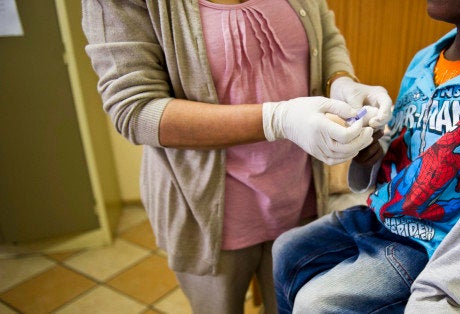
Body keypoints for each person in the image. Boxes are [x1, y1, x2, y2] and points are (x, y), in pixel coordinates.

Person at [81, 0, 392, 313]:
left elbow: (325, 34)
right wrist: (276, 120)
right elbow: (135, 110)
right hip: (207, 217)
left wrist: (340, 82)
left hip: (299, 200)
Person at [272, 0, 460, 312]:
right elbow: (401, 148)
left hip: (435, 244)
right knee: (286, 250)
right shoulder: (424, 61)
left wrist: (437, 288)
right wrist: (369, 154)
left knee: (316, 303)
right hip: (384, 216)